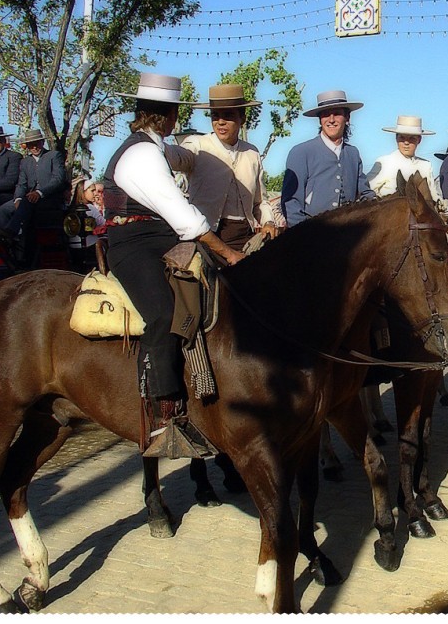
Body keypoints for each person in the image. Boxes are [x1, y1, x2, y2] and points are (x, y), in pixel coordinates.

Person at [103, 73, 244, 459]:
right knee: (164, 314)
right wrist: (229, 253)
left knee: (213, 294)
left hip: (158, 239)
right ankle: (164, 418)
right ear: (169, 117)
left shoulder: (156, 147)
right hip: (132, 244)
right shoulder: (143, 154)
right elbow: (183, 215)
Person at [165, 83, 281, 251]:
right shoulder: (196, 145)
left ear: (242, 118)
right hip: (207, 237)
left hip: (245, 236)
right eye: (215, 115)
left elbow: (260, 202)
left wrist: (268, 222)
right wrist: (155, 143)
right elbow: (177, 157)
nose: (220, 122)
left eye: (228, 115)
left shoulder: (252, 153)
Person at [281, 89, 375, 227]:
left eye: (337, 114)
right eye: (326, 115)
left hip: (347, 234)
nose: (331, 120)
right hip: (311, 232)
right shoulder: (301, 152)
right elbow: (291, 203)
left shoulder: (353, 154)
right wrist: (302, 234)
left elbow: (365, 193)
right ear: (320, 120)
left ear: (347, 118)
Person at [0, 128, 67, 262]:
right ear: (26, 146)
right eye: (30, 144)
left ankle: (12, 231)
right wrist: (18, 198)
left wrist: (40, 192)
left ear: (42, 142)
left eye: (37, 143)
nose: (34, 147)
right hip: (29, 198)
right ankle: (6, 243)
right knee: (4, 209)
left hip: (49, 197)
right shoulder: (25, 162)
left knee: (28, 203)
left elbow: (58, 179)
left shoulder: (54, 156)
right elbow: (21, 183)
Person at [366, 115, 441, 200]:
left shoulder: (426, 165)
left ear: (419, 140)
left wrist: (447, 209)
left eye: (412, 138)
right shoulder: (385, 162)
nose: (406, 142)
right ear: (396, 138)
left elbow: (433, 195)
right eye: (402, 137)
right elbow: (368, 191)